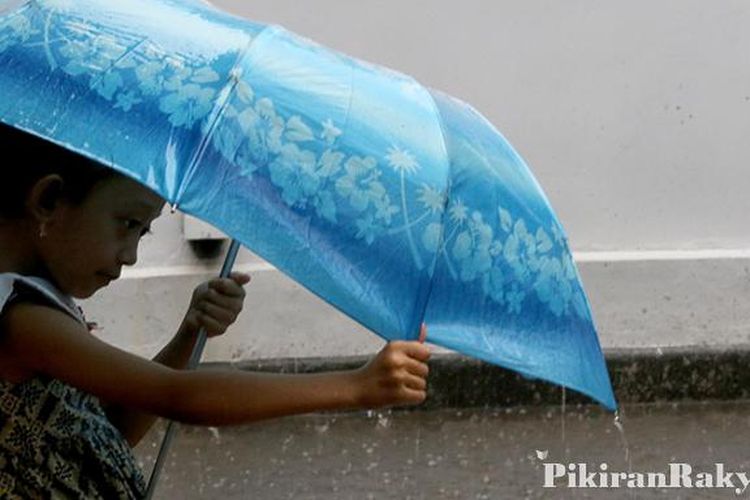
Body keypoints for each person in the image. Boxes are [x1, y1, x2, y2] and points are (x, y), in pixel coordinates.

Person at [0, 123, 431, 499]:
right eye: (127, 224)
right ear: (49, 199)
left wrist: (189, 333)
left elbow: (108, 432)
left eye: (144, 233)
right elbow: (178, 396)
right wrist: (356, 386)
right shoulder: (23, 321)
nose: (131, 255)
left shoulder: (36, 304)